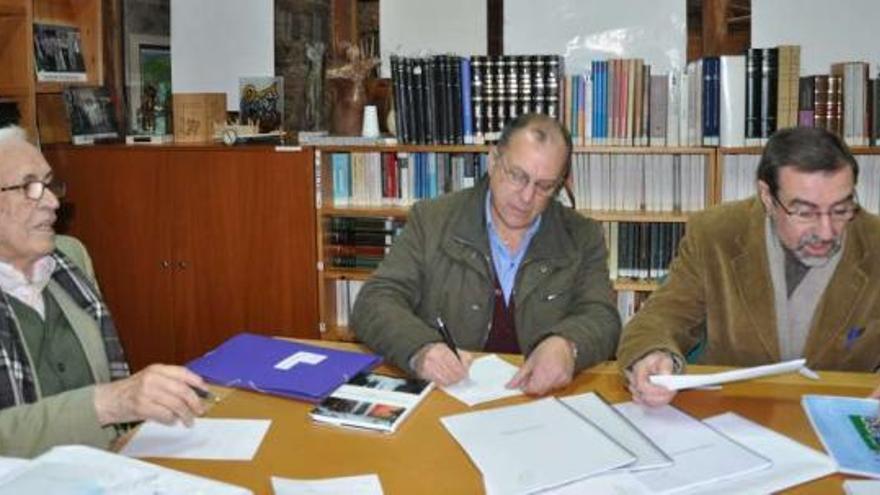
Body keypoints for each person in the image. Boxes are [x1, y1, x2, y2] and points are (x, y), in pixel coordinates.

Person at [351, 113, 621, 396]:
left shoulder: (581, 235)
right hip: (448, 397)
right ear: (493, 161)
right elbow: (375, 300)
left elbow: (602, 317)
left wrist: (568, 345)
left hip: (539, 401)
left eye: (544, 186)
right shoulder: (432, 220)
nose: (527, 197)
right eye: (517, 176)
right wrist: (421, 348)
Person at [618, 126, 880, 407]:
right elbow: (662, 317)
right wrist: (653, 355)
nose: (827, 231)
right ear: (767, 197)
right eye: (805, 212)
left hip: (840, 413)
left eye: (841, 209)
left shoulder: (874, 242)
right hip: (735, 413)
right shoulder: (716, 234)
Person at [0, 125, 209, 457]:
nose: (53, 202)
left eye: (50, 184)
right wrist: (111, 402)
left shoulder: (70, 259)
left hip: (107, 465)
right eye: (29, 187)